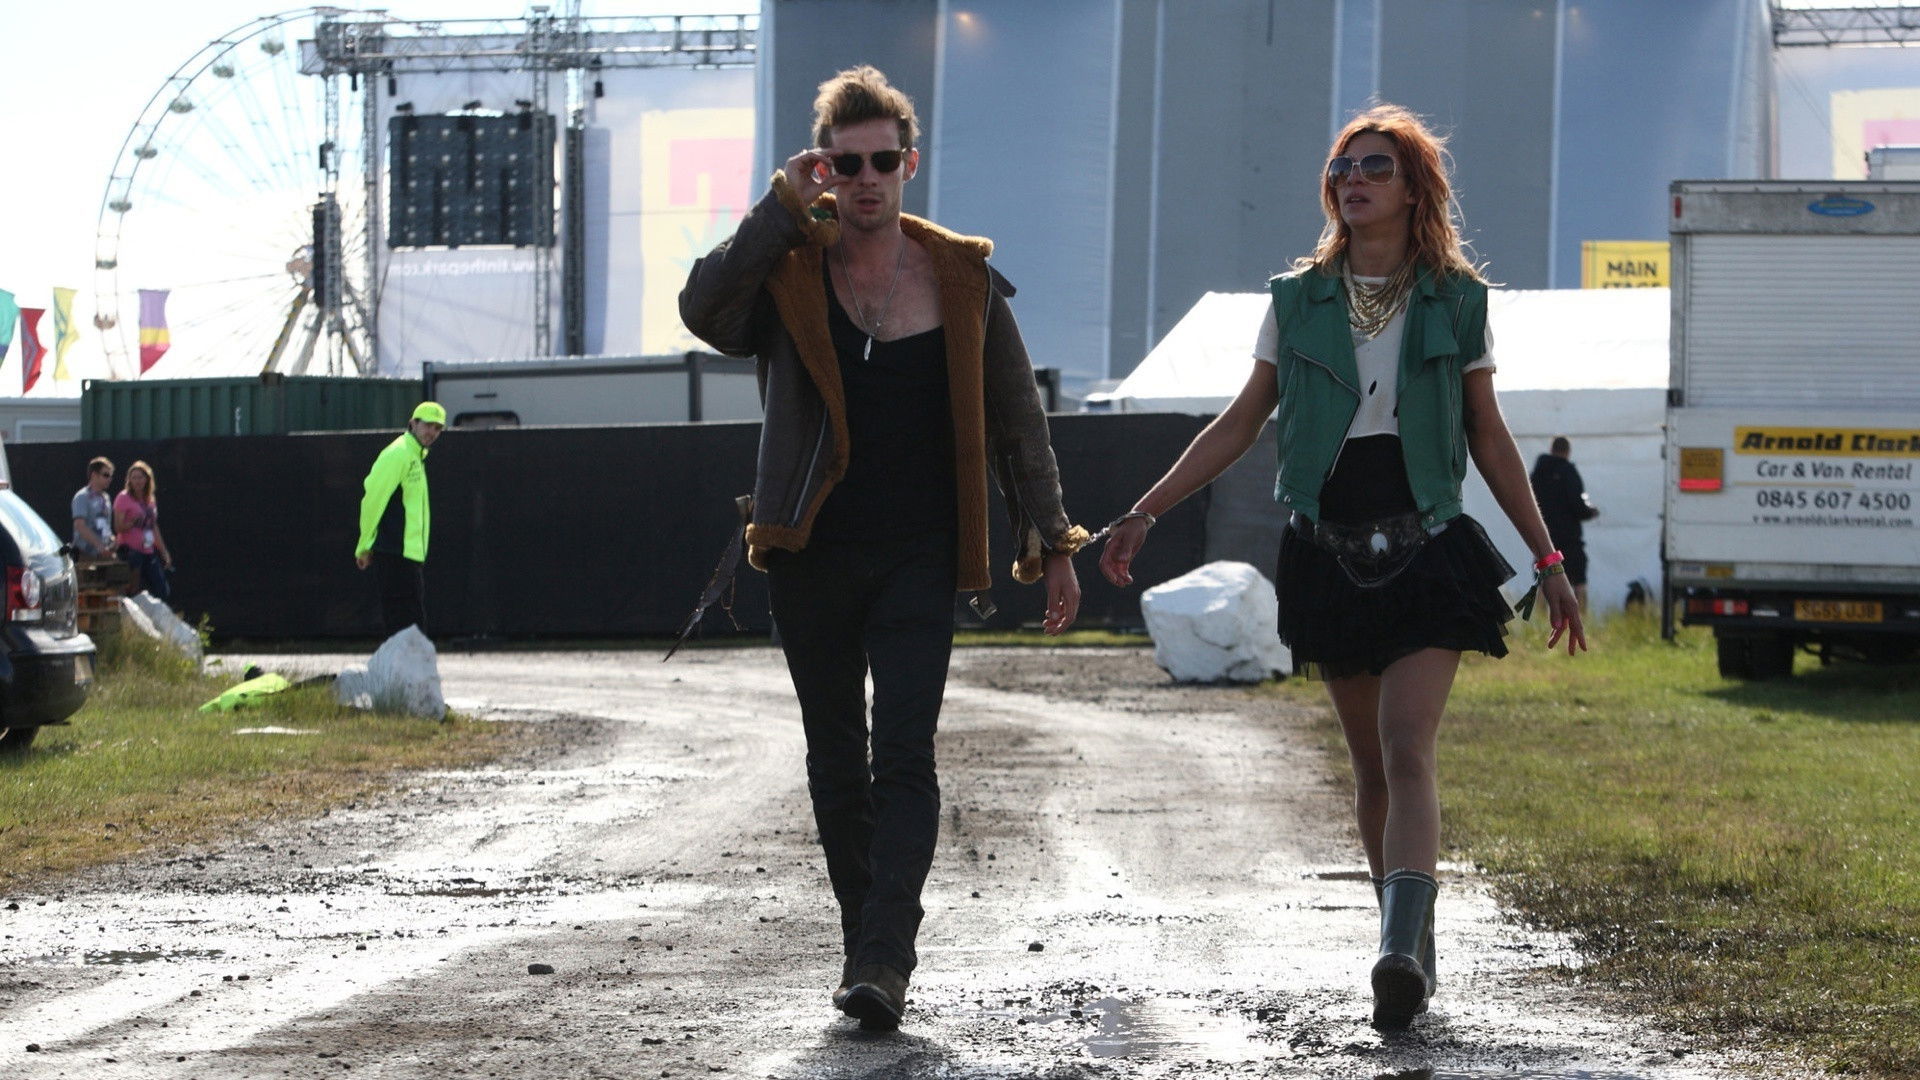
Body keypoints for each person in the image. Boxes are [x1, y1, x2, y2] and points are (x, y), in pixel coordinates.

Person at [1098, 104, 1585, 1030]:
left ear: (1413, 189)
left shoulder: (1457, 300)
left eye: (1374, 167)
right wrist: (1144, 510)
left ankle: (1397, 951)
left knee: (1407, 745)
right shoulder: (1297, 300)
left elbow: (1488, 436)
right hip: (1327, 546)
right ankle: (1408, 939)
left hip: (1428, 545)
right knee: (1369, 766)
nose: (1353, 179)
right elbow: (1239, 424)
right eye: (1342, 168)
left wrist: (1548, 558)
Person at [679, 65, 1086, 1032]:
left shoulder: (962, 274)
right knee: (835, 759)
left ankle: (884, 957)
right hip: (809, 547)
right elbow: (704, 311)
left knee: (904, 752)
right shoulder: (789, 267)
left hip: (921, 554)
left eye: (882, 161)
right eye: (844, 163)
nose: (865, 179)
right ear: (821, 167)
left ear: (911, 162)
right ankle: (864, 942)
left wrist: (1054, 542)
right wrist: (777, 209)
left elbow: (1017, 419)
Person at [355, 402, 445, 636]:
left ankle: (407, 661)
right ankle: (407, 661)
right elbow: (373, 499)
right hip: (394, 552)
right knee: (405, 624)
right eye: (428, 425)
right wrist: (364, 545)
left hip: (407, 555)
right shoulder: (399, 453)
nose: (432, 432)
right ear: (413, 423)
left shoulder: (414, 455)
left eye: (437, 428)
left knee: (409, 623)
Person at [1530, 435, 1599, 610]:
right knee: (1578, 581)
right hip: (1569, 541)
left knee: (1543, 580)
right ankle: (1581, 619)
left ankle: (1539, 621)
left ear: (1551, 449)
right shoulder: (1568, 472)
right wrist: (1590, 512)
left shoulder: (1538, 473)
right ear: (1568, 452)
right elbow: (1578, 505)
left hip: (1545, 539)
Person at [114, 460, 173, 602]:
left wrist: (163, 551)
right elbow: (118, 527)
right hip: (131, 551)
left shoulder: (150, 499)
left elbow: (153, 527)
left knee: (162, 590)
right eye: (134, 477)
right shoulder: (123, 497)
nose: (137, 481)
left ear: (147, 479)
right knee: (133, 589)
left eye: (140, 477)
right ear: (129, 480)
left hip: (148, 550)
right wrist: (132, 523)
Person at [71, 456, 116, 560]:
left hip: (104, 553)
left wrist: (113, 541)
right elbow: (79, 525)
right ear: (94, 475)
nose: (109, 479)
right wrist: (99, 546)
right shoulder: (82, 496)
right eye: (106, 475)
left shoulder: (106, 498)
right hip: (85, 554)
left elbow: (105, 527)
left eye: (111, 476)